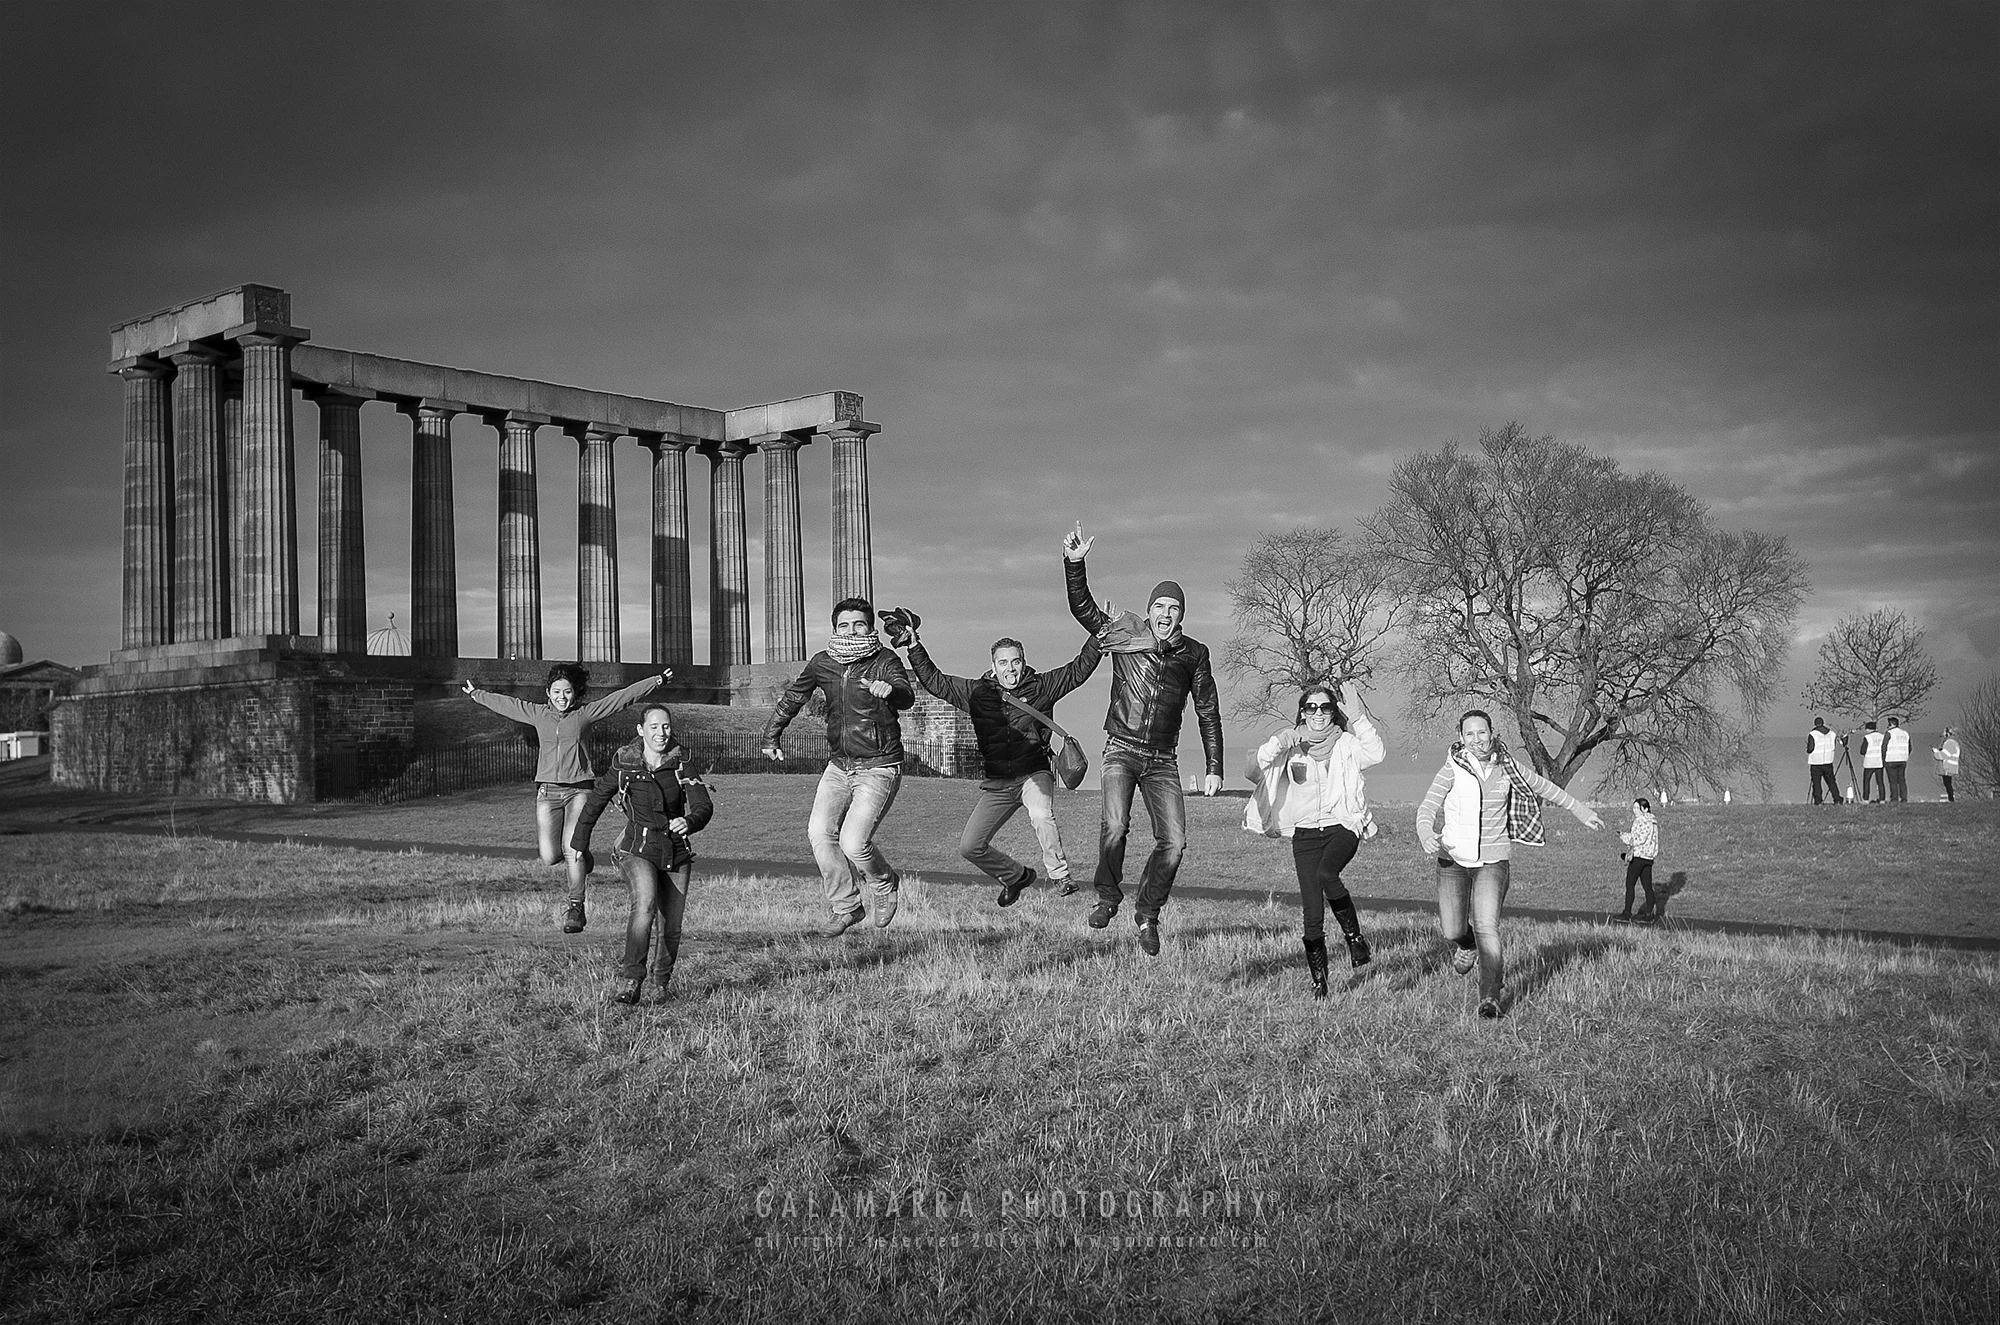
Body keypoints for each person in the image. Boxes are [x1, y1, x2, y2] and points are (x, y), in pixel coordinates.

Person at [1061, 521, 1225, 957]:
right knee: (1115, 826)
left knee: (1174, 843)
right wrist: (1075, 564)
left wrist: (1214, 767)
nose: (1166, 614)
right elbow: (1084, 611)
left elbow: (1208, 709)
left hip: (1162, 759)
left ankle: (1147, 914)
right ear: (1149, 610)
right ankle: (1108, 897)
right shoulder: (1127, 634)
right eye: (1160, 606)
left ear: (1181, 614)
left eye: (1174, 607)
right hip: (1120, 748)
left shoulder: (1195, 654)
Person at [897, 615, 1102, 905]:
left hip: (1034, 773)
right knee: (970, 846)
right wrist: (914, 647)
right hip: (999, 782)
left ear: (1024, 662)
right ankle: (1016, 876)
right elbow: (936, 682)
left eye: (1016, 661)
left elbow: (1077, 670)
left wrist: (1098, 637)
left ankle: (1060, 876)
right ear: (993, 666)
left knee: (1041, 814)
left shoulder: (1042, 686)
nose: (1011, 669)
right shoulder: (977, 693)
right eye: (1003, 663)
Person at [1415, 709, 1605, 1019]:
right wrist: (1426, 832)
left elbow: (1544, 786)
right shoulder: (1451, 770)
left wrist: (1580, 810)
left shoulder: (1508, 766)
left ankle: (1490, 996)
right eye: (1470, 734)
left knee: (1487, 927)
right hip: (1453, 858)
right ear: (1461, 739)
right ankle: (1466, 946)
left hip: (1494, 860)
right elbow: (1426, 808)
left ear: (1492, 732)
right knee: (1452, 930)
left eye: (1482, 732)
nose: (1477, 739)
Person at [462, 662, 671, 933]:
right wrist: (477, 694)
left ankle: (575, 907)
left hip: (579, 791)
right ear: (548, 692)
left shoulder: (584, 715)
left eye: (568, 692)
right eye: (557, 692)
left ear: (576, 693)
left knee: (572, 849)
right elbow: (508, 705)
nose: (562, 697)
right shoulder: (538, 714)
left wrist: (655, 681)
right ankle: (583, 858)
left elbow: (620, 698)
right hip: (547, 793)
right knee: (550, 856)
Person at [761, 598, 916, 935]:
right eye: (844, 625)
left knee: (853, 842)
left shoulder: (884, 660)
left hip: (878, 765)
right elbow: (793, 698)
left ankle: (884, 882)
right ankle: (846, 905)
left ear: (870, 628)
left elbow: (906, 695)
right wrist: (771, 736)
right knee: (819, 832)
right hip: (839, 766)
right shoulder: (823, 662)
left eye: (859, 624)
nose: (851, 630)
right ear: (834, 629)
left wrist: (890, 691)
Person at [1250, 680, 1384, 997]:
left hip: (1344, 825)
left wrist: (1358, 716)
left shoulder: (1347, 744)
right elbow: (1256, 765)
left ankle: (1354, 939)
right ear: (1302, 712)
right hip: (1306, 834)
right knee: (1312, 913)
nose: (1319, 713)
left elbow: (1376, 753)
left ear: (1334, 711)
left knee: (1327, 874)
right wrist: (1279, 740)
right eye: (1312, 707)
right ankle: (1320, 984)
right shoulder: (1292, 748)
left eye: (1325, 707)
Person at [571, 705, 713, 1005]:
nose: (661, 733)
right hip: (636, 849)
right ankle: (631, 980)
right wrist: (579, 843)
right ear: (641, 731)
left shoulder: (681, 763)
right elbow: (595, 802)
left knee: (671, 926)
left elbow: (703, 805)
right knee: (645, 905)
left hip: (676, 852)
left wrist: (689, 821)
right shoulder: (626, 765)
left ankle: (661, 984)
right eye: (654, 727)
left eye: (666, 727)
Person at [1614, 797, 1659, 923]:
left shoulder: (1641, 820)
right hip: (1649, 858)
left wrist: (1625, 837)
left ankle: (1627, 913)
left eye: (1637, 808)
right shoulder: (1653, 821)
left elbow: (1639, 839)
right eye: (1633, 808)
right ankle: (1649, 915)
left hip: (1639, 856)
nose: (1634, 811)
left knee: (1630, 884)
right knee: (1648, 887)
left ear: (1645, 809)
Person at [1807, 717, 1840, 805]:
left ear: (1815, 724)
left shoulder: (1813, 734)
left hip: (1816, 762)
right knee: (1831, 782)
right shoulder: (1832, 734)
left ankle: (1818, 801)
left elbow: (1810, 748)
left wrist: (1808, 750)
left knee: (1817, 782)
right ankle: (1837, 799)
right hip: (1828, 761)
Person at [1884, 716, 1911, 802]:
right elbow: (1910, 747)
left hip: (1891, 760)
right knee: (1902, 780)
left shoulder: (1889, 733)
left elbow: (1884, 747)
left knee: (1893, 781)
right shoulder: (1905, 733)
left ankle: (1894, 798)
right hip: (1903, 759)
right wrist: (1905, 755)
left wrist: (1883, 759)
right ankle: (1904, 798)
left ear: (1891, 724)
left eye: (1888, 724)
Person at [1860, 721, 1887, 803]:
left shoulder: (1867, 737)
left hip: (1869, 762)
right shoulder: (1882, 736)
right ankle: (1882, 799)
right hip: (1879, 762)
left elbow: (1862, 751)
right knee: (1880, 782)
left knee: (1866, 781)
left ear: (1868, 729)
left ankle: (1866, 799)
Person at [1933, 727, 1961, 802]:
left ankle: (1951, 799)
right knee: (1948, 783)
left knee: (1947, 783)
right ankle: (1951, 799)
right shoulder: (1954, 742)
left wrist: (1936, 752)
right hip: (1950, 766)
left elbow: (1943, 755)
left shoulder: (1950, 742)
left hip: (1947, 767)